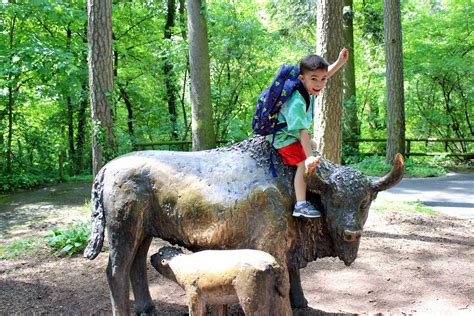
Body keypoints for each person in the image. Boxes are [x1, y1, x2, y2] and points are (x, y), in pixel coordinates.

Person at [269, 48, 349, 218]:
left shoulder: (309, 89)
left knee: (314, 145)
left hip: (292, 133)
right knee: (302, 162)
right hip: (283, 136)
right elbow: (302, 131)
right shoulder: (298, 100)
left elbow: (325, 74)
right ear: (302, 78)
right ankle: (301, 205)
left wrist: (339, 62)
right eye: (314, 79)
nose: (319, 84)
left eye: (323, 80)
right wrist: (309, 158)